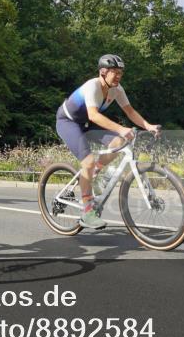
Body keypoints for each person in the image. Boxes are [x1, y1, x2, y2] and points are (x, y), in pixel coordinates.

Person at [56, 54, 160, 230]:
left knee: (118, 143)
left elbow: (130, 111)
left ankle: (95, 170)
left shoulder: (117, 89)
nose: (118, 76)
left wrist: (148, 126)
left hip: (87, 124)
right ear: (103, 72)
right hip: (69, 122)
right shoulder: (92, 86)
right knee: (87, 162)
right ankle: (87, 211)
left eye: (120, 72)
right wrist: (121, 129)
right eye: (114, 72)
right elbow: (94, 115)